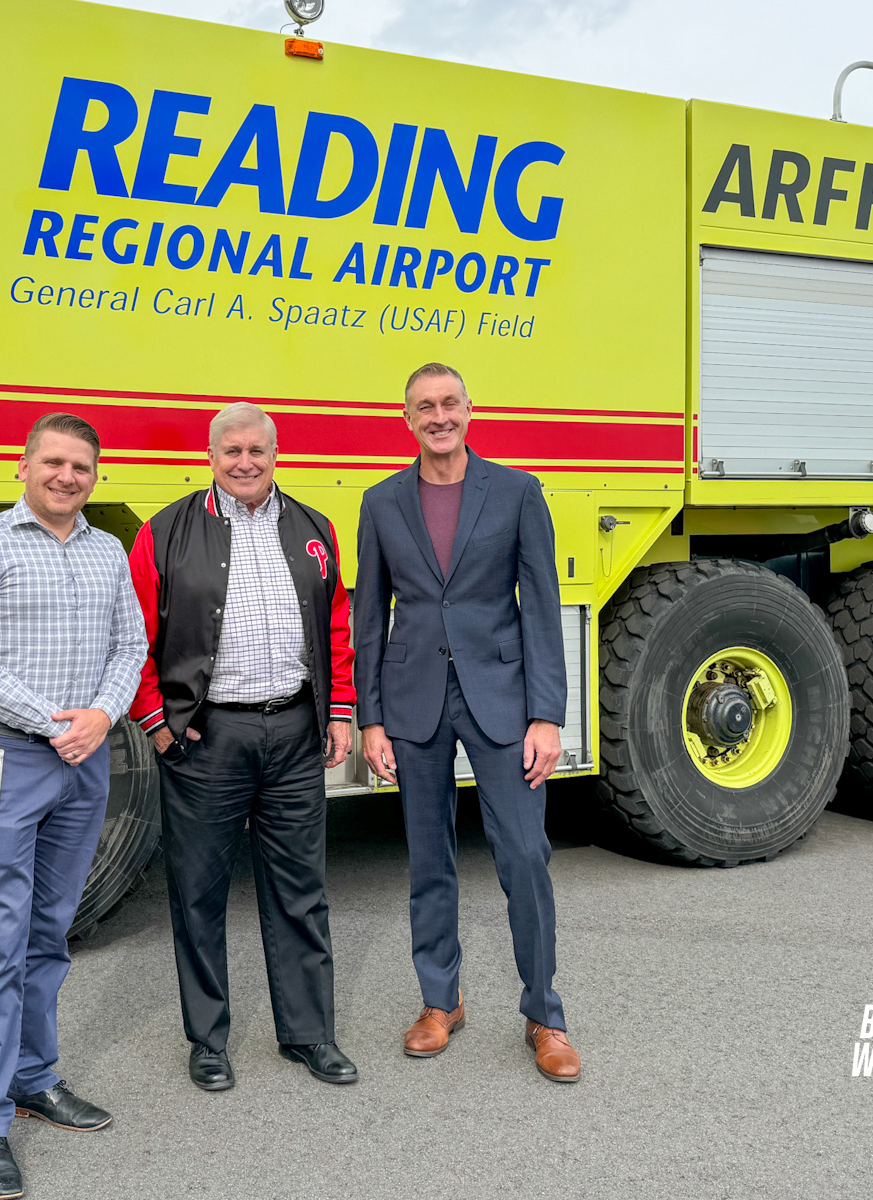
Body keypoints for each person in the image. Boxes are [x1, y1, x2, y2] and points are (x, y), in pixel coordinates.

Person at [352, 363, 582, 1083]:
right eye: (425, 406)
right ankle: (439, 1001)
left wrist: (547, 714)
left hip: (502, 700)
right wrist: (371, 718)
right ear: (407, 418)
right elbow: (369, 617)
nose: (439, 415)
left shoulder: (516, 492)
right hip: (414, 697)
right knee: (429, 861)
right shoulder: (382, 501)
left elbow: (542, 605)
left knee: (522, 855)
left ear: (469, 411)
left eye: (450, 402)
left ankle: (545, 1013)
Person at [0, 412, 147, 1199]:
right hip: (8, 756)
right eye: (54, 463)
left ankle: (34, 1077)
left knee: (52, 929)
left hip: (83, 760)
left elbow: (131, 646)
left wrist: (100, 716)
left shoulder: (106, 553)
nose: (67, 476)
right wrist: (55, 723)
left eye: (82, 467)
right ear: (22, 467)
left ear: (96, 476)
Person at [127, 402, 359, 1091]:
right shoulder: (164, 531)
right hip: (206, 736)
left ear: (275, 453)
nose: (245, 462)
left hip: (293, 731)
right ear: (211, 456)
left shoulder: (314, 528)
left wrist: (338, 712)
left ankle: (310, 1035)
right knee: (198, 892)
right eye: (232, 450)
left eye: (257, 450)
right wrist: (156, 722)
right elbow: (134, 634)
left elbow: (338, 626)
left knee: (301, 889)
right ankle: (207, 1040)